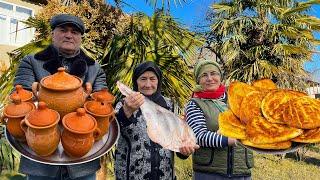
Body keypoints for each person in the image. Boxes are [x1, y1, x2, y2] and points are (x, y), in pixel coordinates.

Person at [14, 14, 107, 180]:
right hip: (40, 163)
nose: (69, 35)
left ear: (80, 37)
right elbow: (20, 99)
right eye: (63, 30)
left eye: (75, 32)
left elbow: (102, 104)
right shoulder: (32, 61)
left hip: (82, 163)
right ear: (52, 34)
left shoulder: (94, 68)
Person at [114, 61, 199, 180]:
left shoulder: (170, 106)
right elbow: (115, 130)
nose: (148, 84)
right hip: (131, 175)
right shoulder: (125, 103)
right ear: (136, 81)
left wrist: (183, 151)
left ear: (158, 81)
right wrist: (126, 111)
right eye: (143, 79)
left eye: (152, 79)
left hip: (165, 175)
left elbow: (177, 138)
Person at [185, 60, 253, 180]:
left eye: (213, 73)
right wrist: (230, 139)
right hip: (210, 173)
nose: (210, 78)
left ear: (220, 76)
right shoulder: (195, 104)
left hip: (241, 172)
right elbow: (198, 136)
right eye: (204, 75)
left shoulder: (236, 100)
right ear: (198, 80)